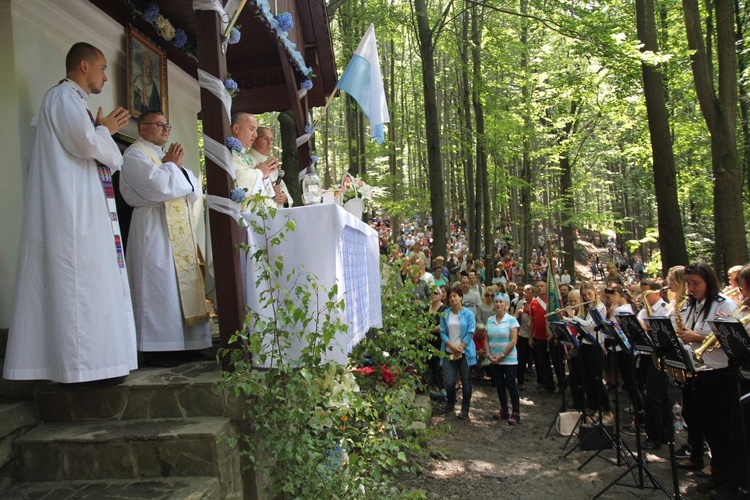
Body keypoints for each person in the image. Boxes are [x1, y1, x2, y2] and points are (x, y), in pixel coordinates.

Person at [3, 43, 136, 385]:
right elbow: (88, 145)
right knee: (78, 284)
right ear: (83, 65)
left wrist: (100, 130)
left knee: (88, 283)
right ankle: (83, 368)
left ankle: (95, 364)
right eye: (103, 68)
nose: (106, 76)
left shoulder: (71, 102)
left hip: (81, 204)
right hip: (72, 209)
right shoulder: (64, 98)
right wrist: (103, 130)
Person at [121, 110, 211, 367]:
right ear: (143, 129)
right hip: (152, 228)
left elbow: (191, 186)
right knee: (157, 287)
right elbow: (159, 187)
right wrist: (171, 167)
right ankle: (157, 348)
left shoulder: (163, 157)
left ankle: (187, 344)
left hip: (176, 228)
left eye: (166, 125)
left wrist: (172, 167)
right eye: (158, 125)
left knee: (177, 288)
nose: (164, 129)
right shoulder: (135, 154)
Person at [677, 263, 739, 497]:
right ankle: (717, 475)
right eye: (689, 283)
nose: (691, 288)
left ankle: (727, 481)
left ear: (709, 282)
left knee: (723, 431)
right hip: (698, 373)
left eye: (696, 284)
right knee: (708, 429)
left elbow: (731, 340)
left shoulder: (725, 304)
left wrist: (697, 336)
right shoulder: (691, 305)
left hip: (720, 374)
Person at [563, 281, 614, 424]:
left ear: (595, 292)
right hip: (584, 346)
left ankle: (608, 411)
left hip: (595, 346)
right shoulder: (586, 308)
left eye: (589, 294)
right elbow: (579, 325)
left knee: (597, 380)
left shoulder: (600, 307)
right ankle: (596, 408)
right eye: (584, 295)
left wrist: (572, 317)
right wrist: (565, 318)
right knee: (587, 380)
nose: (586, 297)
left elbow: (589, 326)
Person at [438, 287, 477, 419]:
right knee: (449, 381)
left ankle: (465, 409)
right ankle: (450, 402)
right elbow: (442, 332)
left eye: (455, 296)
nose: (452, 299)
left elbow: (470, 332)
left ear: (461, 297)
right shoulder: (446, 314)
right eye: (450, 297)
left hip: (464, 353)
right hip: (449, 351)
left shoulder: (468, 314)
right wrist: (451, 346)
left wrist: (460, 348)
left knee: (466, 381)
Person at [230, 112, 279, 205]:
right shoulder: (229, 153)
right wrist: (260, 172)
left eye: (256, 130)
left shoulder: (244, 156)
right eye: (251, 129)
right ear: (236, 128)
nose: (255, 135)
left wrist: (265, 177)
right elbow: (237, 180)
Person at [487, 292, 522, 425]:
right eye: (496, 301)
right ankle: (504, 409)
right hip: (494, 358)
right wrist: (489, 355)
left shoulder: (511, 320)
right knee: (499, 385)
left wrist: (502, 356)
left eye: (501, 302)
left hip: (509, 359)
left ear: (506, 304)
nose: (498, 304)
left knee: (511, 385)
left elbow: (513, 341)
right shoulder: (490, 320)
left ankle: (516, 412)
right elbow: (487, 338)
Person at [246, 127, 292, 209]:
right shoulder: (246, 160)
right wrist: (270, 191)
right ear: (254, 140)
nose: (269, 143)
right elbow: (247, 189)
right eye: (265, 139)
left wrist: (284, 197)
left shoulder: (270, 162)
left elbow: (283, 189)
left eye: (271, 140)